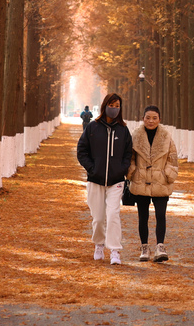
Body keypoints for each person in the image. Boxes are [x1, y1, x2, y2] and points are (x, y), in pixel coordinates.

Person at [76, 93, 133, 265]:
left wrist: (122, 169)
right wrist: (92, 168)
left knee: (113, 215)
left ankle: (115, 250)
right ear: (104, 105)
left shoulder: (123, 130)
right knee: (98, 218)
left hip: (116, 181)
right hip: (95, 180)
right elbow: (81, 150)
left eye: (117, 105)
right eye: (111, 105)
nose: (114, 108)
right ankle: (99, 244)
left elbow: (128, 153)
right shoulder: (92, 128)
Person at [128, 105, 179, 262]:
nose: (151, 121)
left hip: (160, 181)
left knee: (160, 215)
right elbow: (129, 157)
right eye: (148, 117)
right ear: (143, 118)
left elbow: (173, 158)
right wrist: (132, 172)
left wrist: (168, 175)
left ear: (159, 119)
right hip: (141, 181)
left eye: (154, 118)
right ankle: (144, 247)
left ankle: (160, 247)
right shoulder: (135, 135)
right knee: (142, 216)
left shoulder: (166, 136)